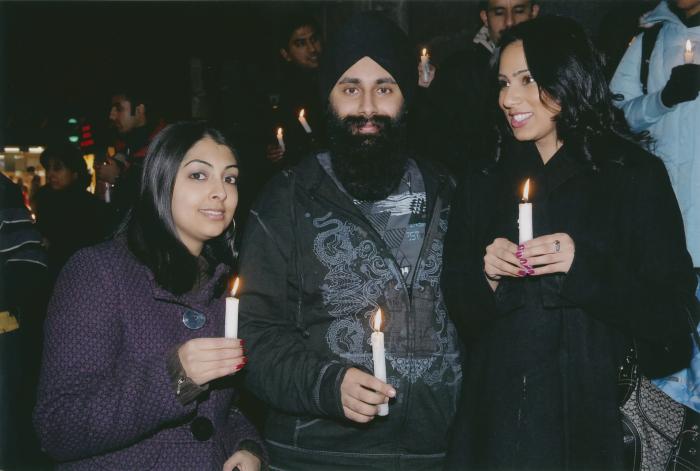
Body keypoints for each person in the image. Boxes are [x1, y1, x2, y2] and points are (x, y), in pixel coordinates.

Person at [442, 16, 696, 469]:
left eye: (527, 79)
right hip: (496, 428)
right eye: (503, 82)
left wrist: (584, 269)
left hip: (595, 427)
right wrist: (489, 277)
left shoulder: (632, 176)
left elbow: (671, 321)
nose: (508, 98)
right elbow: (460, 309)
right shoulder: (484, 178)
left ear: (568, 77)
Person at [238, 12, 462, 470]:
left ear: (405, 96)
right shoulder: (288, 198)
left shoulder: (450, 191)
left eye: (384, 87)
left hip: (437, 454)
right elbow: (251, 333)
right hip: (318, 455)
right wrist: (326, 384)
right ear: (328, 99)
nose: (366, 107)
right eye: (349, 88)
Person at [34, 122, 265, 470]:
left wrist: (247, 447)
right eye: (199, 176)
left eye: (229, 178)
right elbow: (59, 426)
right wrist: (173, 378)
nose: (221, 191)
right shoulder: (98, 272)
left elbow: (220, 409)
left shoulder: (220, 286)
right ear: (162, 180)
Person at [610, 0, 700, 411]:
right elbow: (615, 119)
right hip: (665, 232)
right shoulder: (648, 40)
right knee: (673, 373)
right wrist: (664, 98)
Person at [413, 0, 539, 177]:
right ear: (485, 17)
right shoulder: (458, 71)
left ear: (533, 12)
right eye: (499, 12)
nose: (510, 22)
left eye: (518, 11)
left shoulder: (555, 63)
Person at [34, 144, 107, 285]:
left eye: (57, 168)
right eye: (48, 168)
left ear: (75, 172)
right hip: (50, 276)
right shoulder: (45, 199)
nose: (50, 174)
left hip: (81, 277)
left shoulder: (88, 205)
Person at [97, 86, 167, 230]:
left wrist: (117, 177)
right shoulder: (127, 146)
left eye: (119, 109)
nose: (112, 116)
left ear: (140, 110)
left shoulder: (164, 147)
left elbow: (155, 200)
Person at [264, 12, 325, 168]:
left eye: (314, 39)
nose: (312, 49)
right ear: (286, 54)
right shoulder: (282, 93)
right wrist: (274, 151)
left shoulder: (335, 79)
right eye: (301, 43)